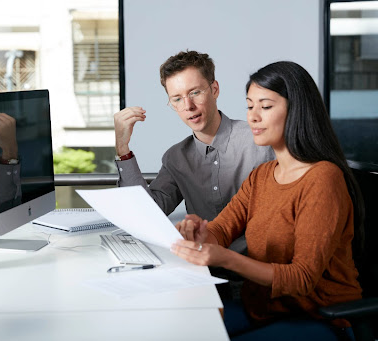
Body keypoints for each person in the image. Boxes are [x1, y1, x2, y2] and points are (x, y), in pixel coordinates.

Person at [171, 61, 365, 341]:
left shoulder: (323, 179)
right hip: (264, 309)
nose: (253, 117)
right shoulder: (262, 175)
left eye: (266, 106)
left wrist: (227, 258)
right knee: (184, 332)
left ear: (296, 109)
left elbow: (301, 279)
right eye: (250, 106)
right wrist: (201, 233)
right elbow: (221, 230)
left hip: (320, 318)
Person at [114, 50, 274, 259]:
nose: (188, 106)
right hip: (203, 270)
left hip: (257, 272)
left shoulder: (260, 140)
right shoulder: (176, 158)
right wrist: (122, 149)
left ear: (214, 89)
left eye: (195, 92)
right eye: (177, 99)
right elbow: (147, 215)